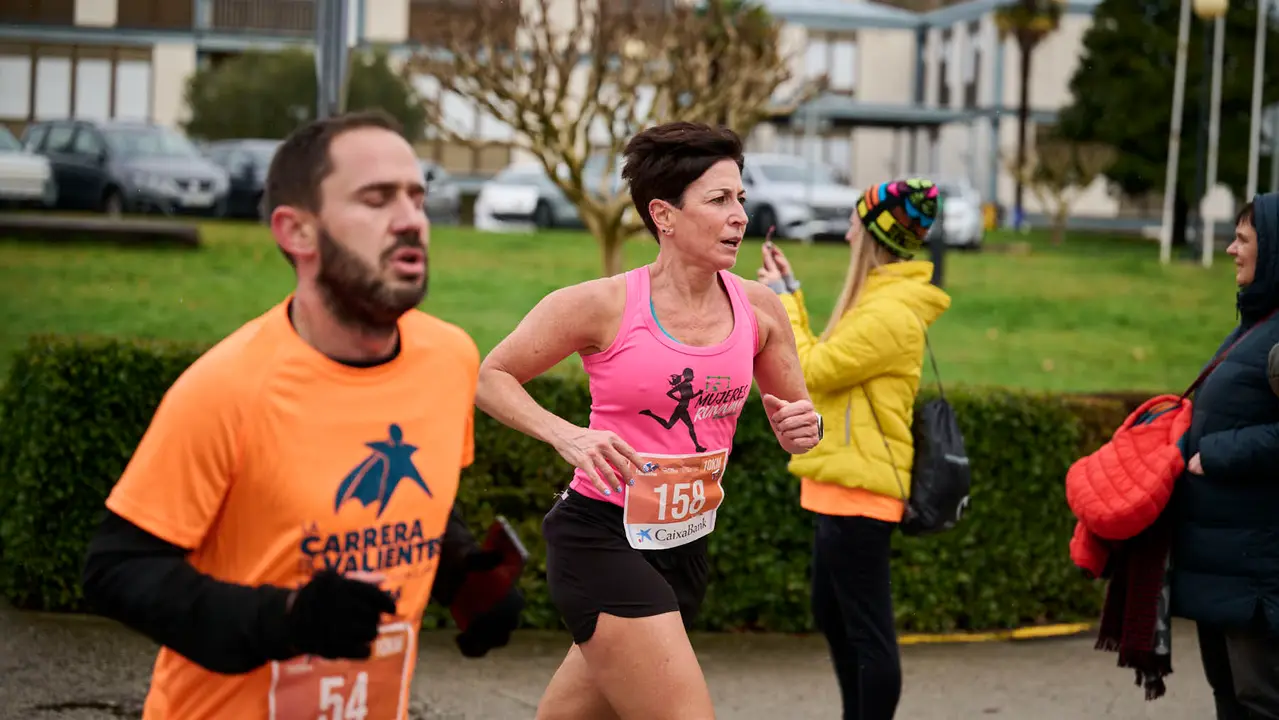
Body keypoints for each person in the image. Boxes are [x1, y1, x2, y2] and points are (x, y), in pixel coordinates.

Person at [79, 110, 521, 720]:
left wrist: (461, 577)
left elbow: (420, 498)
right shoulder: (226, 388)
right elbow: (116, 570)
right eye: (376, 199)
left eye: (416, 196)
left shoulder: (449, 358)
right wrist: (286, 619)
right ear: (297, 232)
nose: (411, 219)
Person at [474, 121, 823, 719]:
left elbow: (800, 419)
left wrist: (802, 429)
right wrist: (568, 434)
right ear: (663, 215)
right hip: (599, 536)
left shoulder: (761, 309)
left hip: (684, 542)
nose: (739, 214)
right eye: (718, 200)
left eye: (739, 197)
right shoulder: (602, 304)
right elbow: (491, 376)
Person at [756, 178, 951, 720]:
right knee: (834, 616)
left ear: (873, 237)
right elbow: (828, 361)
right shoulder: (878, 304)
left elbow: (813, 371)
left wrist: (781, 304)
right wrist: (789, 292)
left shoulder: (889, 313)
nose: (844, 235)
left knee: (867, 632)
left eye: (852, 224)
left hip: (860, 495)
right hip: (839, 487)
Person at [1169, 193, 1279, 720]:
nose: (1232, 250)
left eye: (1244, 239)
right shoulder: (1255, 326)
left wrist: (1217, 453)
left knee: (1259, 702)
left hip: (1257, 573)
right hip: (1225, 564)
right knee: (1230, 699)